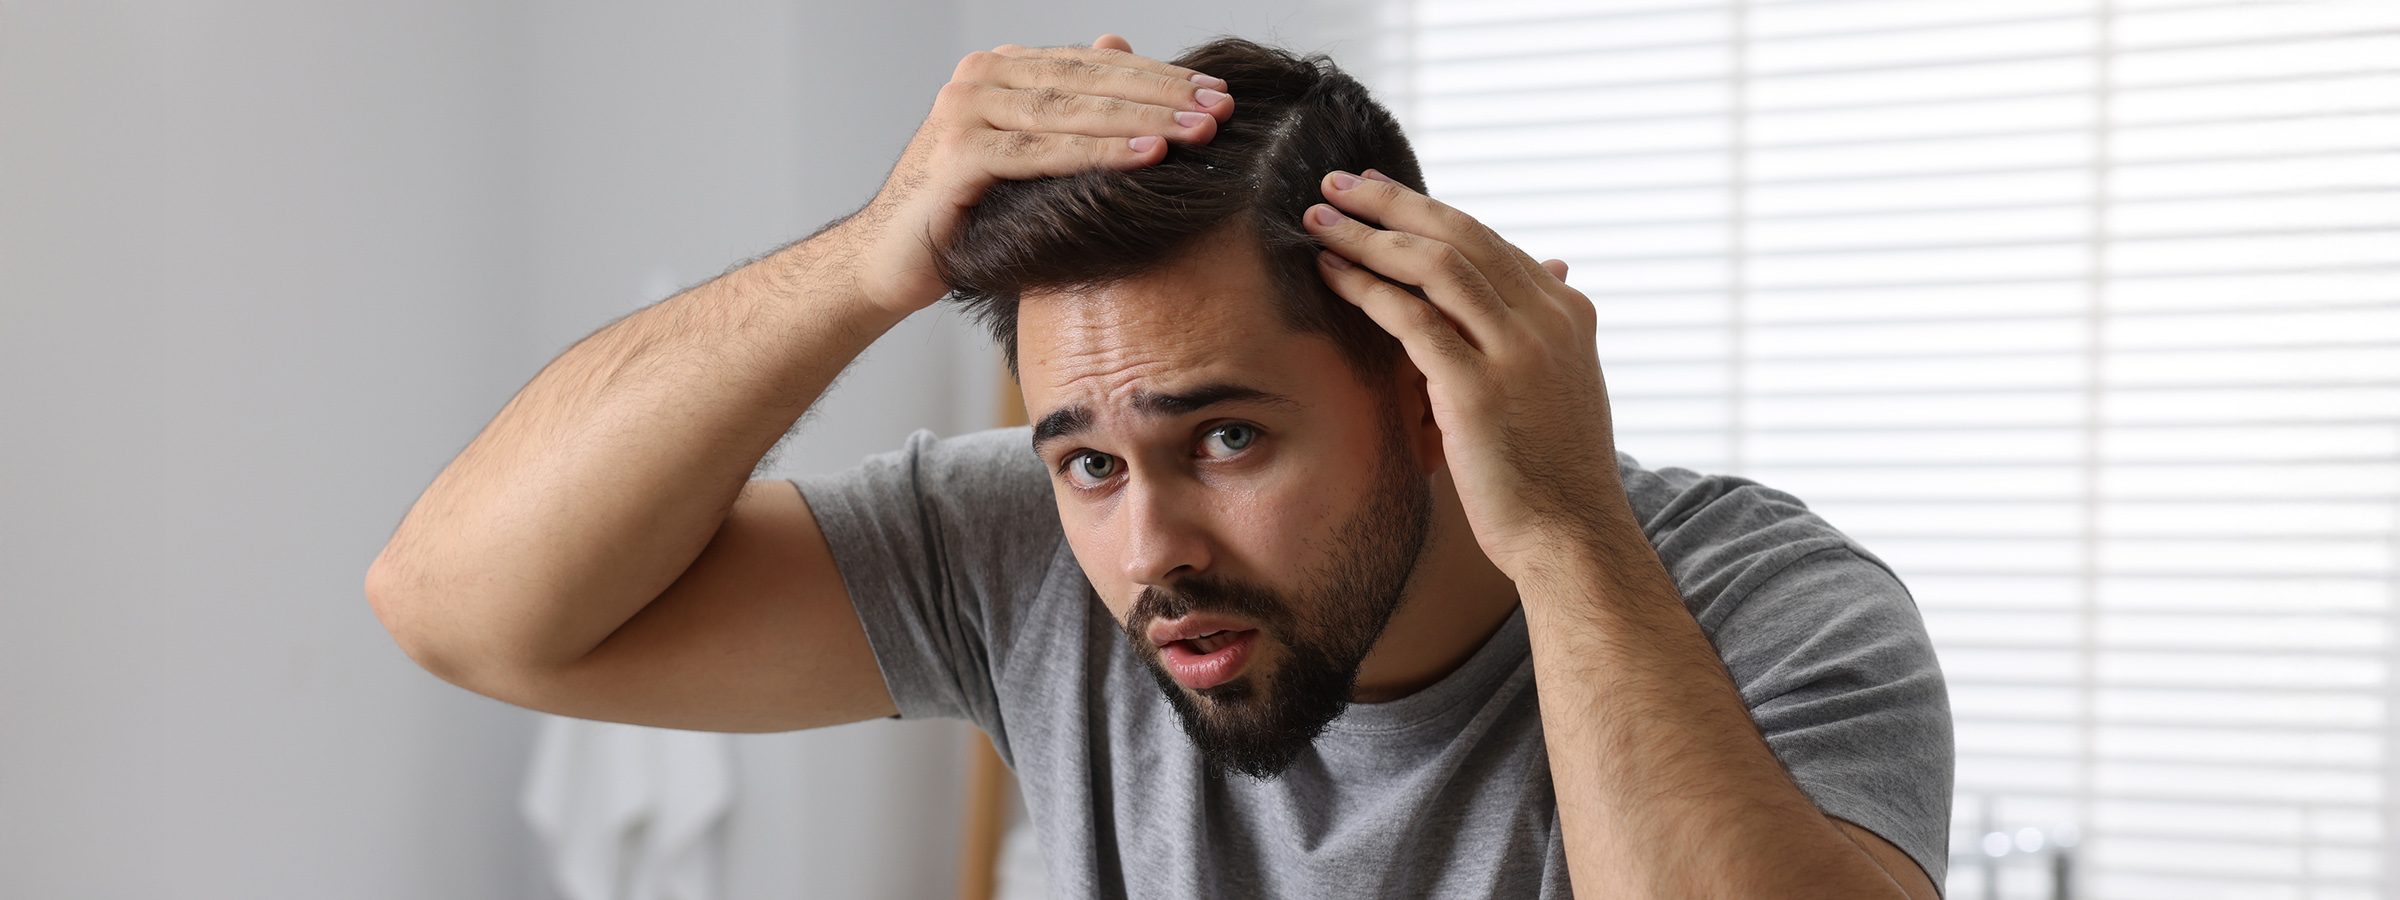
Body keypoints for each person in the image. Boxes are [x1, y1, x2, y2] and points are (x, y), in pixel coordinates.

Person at [368, 34, 1951, 899]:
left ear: (1423, 393)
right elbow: (463, 609)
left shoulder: (1762, 608)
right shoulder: (1025, 554)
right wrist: (861, 262)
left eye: (1228, 437)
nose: (1150, 552)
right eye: (1087, 462)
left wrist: (1571, 531)